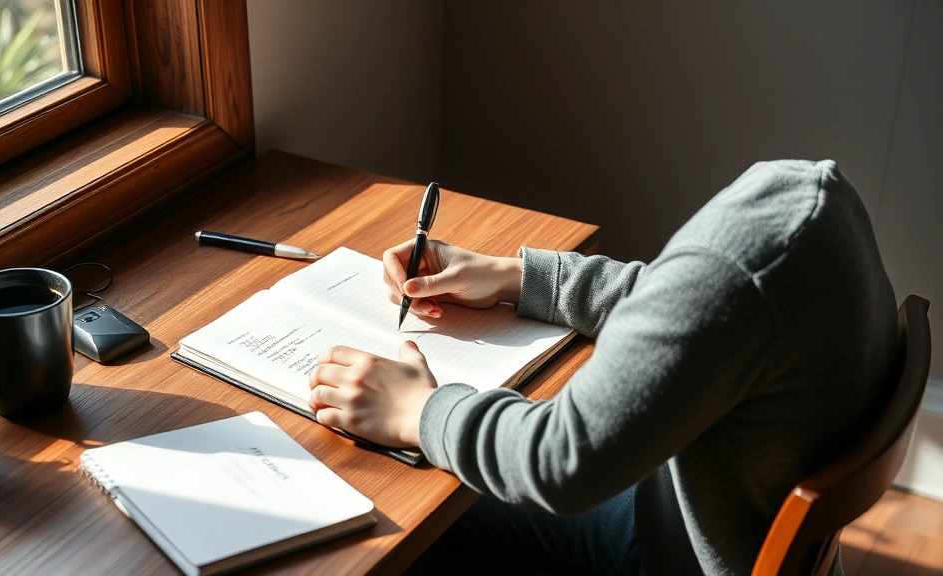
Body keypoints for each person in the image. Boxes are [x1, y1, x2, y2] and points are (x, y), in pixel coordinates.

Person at [307, 160, 898, 575]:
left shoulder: (742, 265)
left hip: (678, 551)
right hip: (704, 512)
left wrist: (420, 408)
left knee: (406, 500)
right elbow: (675, 295)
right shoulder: (808, 205)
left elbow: (558, 462)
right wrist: (516, 276)